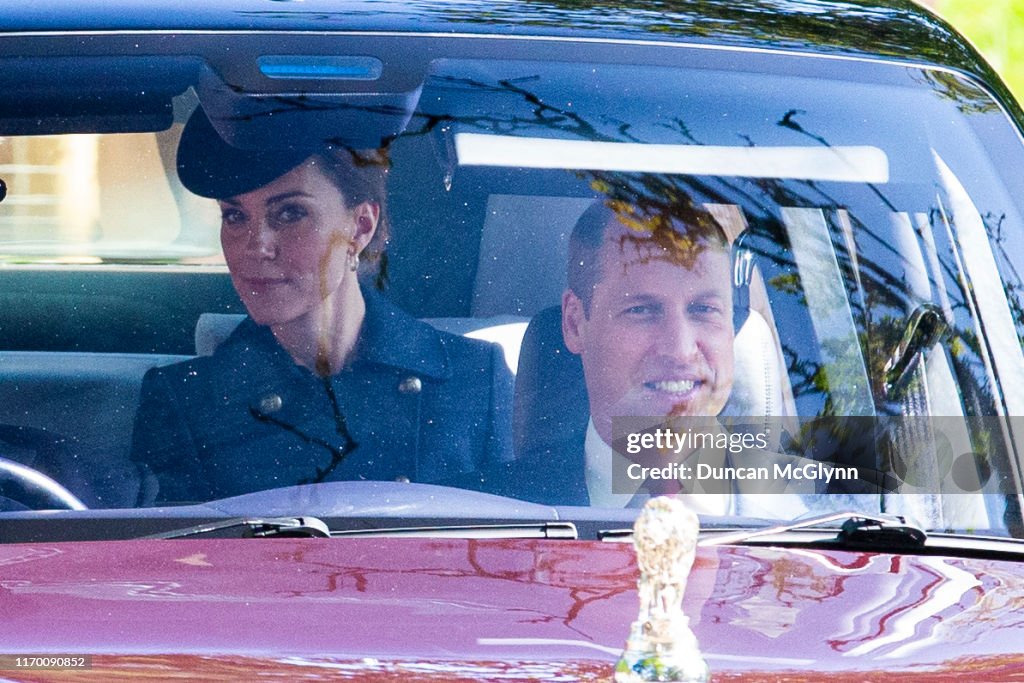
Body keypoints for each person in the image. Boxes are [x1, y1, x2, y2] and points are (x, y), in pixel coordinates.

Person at [129, 107, 513, 504]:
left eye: (290, 213)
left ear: (360, 227)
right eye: (234, 216)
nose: (255, 245)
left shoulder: (474, 378)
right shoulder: (185, 399)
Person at [508, 199, 816, 513]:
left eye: (704, 309)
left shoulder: (819, 518)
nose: (681, 350)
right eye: (641, 310)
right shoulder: (478, 512)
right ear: (575, 324)